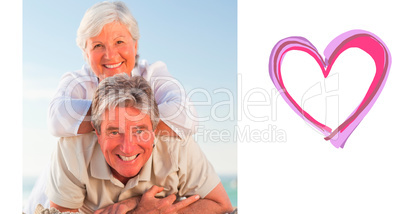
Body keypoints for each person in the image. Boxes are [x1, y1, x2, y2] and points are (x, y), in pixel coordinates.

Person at [46, 74, 233, 213]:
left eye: (139, 131)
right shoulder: (71, 149)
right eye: (113, 132)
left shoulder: (178, 146)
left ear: (154, 131)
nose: (127, 147)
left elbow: (221, 204)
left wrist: (137, 205)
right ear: (98, 133)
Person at [48, 1, 198, 139]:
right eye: (98, 45)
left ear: (135, 45)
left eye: (119, 42)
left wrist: (112, 121)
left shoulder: (152, 73)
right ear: (85, 53)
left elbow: (188, 117)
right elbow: (57, 120)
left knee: (183, 145)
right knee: (67, 145)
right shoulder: (77, 81)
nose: (110, 55)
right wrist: (134, 118)